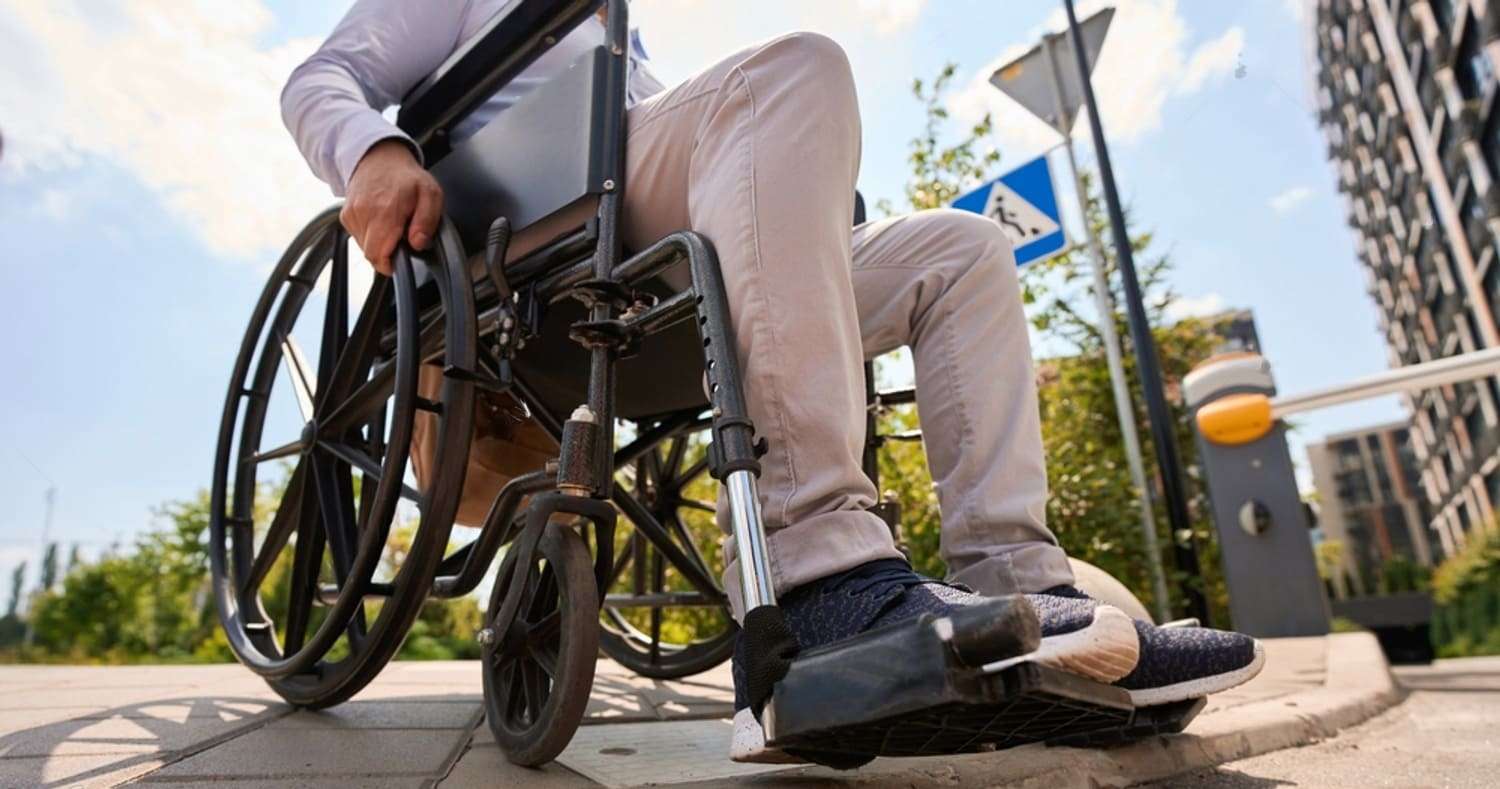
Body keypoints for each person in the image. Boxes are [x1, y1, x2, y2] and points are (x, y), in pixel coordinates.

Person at [282, 0, 1264, 761]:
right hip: (538, 250)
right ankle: (824, 584)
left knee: (962, 250)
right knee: (793, 71)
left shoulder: (629, 55)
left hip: (652, 245)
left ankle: (1022, 599)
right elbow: (323, 78)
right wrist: (372, 151)